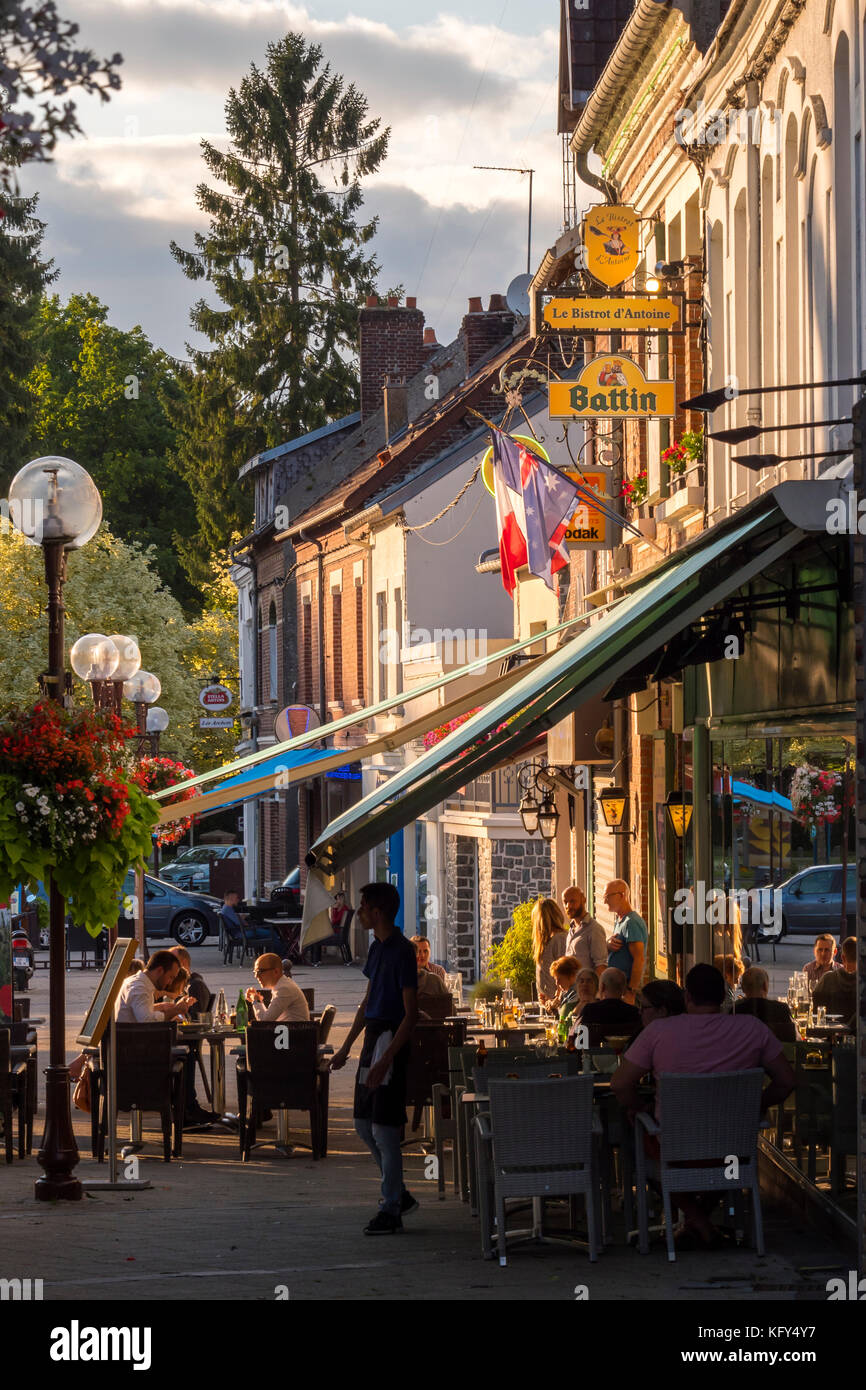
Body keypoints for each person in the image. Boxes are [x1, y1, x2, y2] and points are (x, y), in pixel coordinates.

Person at [612, 963, 795, 1249]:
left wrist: (641, 1107)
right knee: (731, 1153)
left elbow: (620, 1084)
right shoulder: (752, 1028)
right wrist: (753, 1104)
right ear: (724, 996)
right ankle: (702, 1222)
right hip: (732, 1149)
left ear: (687, 997)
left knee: (635, 1132)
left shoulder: (659, 1032)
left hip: (673, 1149)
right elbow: (786, 1081)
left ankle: (698, 1221)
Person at [330, 882, 419, 1235]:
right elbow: (367, 1002)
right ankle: (398, 1192)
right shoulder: (376, 949)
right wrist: (347, 1046)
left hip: (389, 1041)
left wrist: (387, 1059)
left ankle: (391, 1207)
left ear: (377, 911)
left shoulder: (402, 952)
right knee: (364, 1123)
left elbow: (411, 1013)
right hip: (372, 1039)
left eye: (364, 906)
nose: (360, 912)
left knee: (384, 1128)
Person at [115, 950, 195, 1023]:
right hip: (132, 1038)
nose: (170, 983)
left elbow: (137, 1009)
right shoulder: (139, 987)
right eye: (171, 977)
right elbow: (146, 1020)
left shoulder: (136, 981)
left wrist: (160, 1007)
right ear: (160, 970)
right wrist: (175, 1010)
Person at [603, 880, 647, 1004]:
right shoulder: (620, 920)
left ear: (621, 895)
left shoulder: (631, 922)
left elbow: (639, 959)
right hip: (617, 988)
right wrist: (608, 945)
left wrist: (630, 990)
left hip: (626, 988)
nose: (604, 901)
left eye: (607, 897)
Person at [732, 967, 797, 1043]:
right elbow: (791, 1041)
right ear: (765, 986)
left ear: (743, 988)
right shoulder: (781, 1009)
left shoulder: (735, 1010)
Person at [579, 967, 641, 1041]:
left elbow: (580, 1042)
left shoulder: (590, 1010)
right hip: (626, 1052)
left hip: (595, 1052)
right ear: (624, 989)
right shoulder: (635, 1013)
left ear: (602, 987)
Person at [245, 953, 310, 1022]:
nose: (256, 976)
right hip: (288, 1031)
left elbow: (264, 1022)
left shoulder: (284, 988)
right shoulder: (281, 985)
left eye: (260, 971)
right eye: (255, 972)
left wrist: (255, 1000)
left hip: (294, 1032)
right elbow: (267, 1018)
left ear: (276, 971)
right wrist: (258, 1000)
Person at [562, 886, 606, 979]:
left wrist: (591, 991)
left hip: (586, 991)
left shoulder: (594, 929)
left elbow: (601, 967)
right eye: (565, 902)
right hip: (572, 991)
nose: (568, 906)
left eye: (572, 901)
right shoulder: (571, 929)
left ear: (584, 900)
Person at [531, 897, 568, 1004]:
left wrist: (555, 999)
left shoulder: (560, 939)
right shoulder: (547, 943)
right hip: (549, 1005)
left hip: (558, 1005)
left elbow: (564, 974)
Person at [812, 936, 857, 1022]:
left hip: (831, 1033)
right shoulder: (862, 983)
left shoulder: (827, 980)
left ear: (843, 958)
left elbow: (815, 1015)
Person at [171, 945, 210, 1018]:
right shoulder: (184, 984)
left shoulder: (195, 985)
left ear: (183, 963)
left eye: (171, 961)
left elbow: (196, 1018)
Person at [550, 956, 581, 1039]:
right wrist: (553, 1008)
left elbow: (565, 1020)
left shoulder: (577, 994)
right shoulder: (567, 993)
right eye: (555, 979)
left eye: (559, 979)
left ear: (571, 975)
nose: (557, 983)